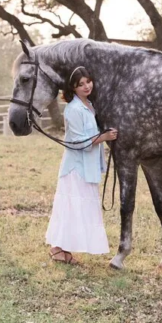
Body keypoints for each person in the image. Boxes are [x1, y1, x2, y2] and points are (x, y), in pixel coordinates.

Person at [46, 66, 118, 265]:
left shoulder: (90, 105)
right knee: (71, 207)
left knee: (78, 207)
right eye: (81, 84)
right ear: (73, 88)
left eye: (88, 81)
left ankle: (61, 248)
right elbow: (77, 142)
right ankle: (57, 249)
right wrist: (103, 137)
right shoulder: (73, 109)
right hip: (76, 167)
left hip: (88, 166)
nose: (86, 86)